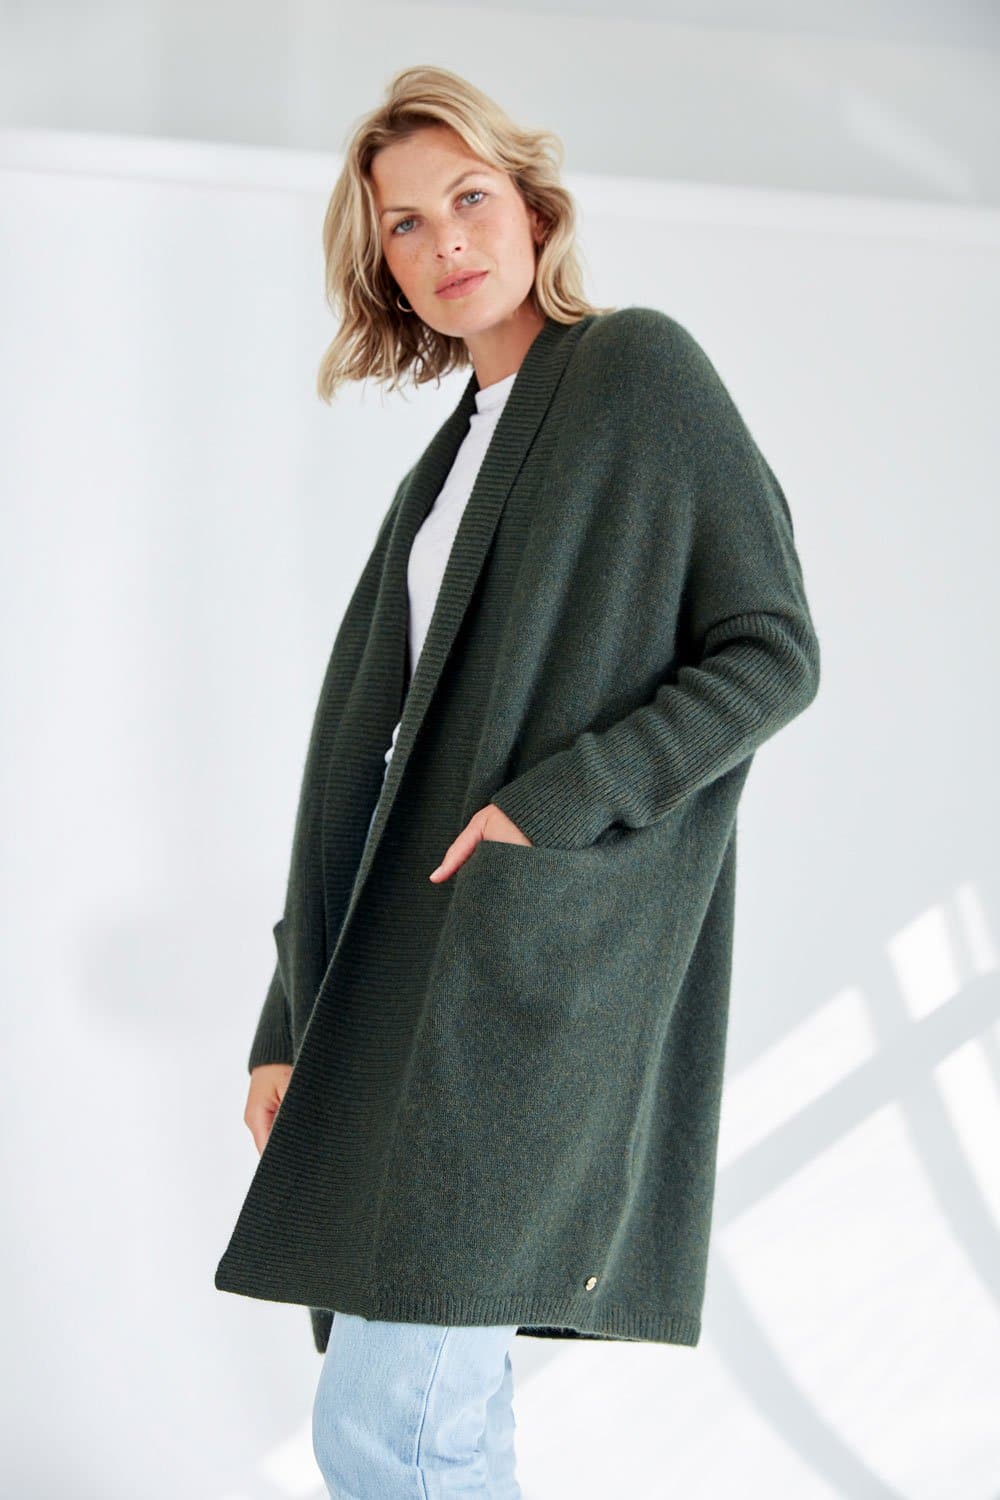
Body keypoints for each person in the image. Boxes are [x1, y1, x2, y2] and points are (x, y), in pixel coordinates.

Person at [220, 63, 821, 1500]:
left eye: (469, 199)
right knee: (438, 1416)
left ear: (535, 209)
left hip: (521, 983)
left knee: (396, 1427)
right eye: (405, 226)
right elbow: (364, 770)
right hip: (406, 986)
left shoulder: (639, 373)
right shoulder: (443, 470)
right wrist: (289, 1014)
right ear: (382, 264)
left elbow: (772, 651)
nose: (445, 244)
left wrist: (552, 805)